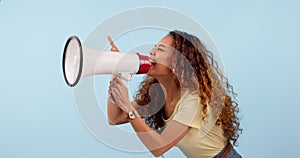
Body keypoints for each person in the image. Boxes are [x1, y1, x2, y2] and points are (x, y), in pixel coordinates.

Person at [107, 30, 242, 158]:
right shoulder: (157, 96)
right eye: (154, 48)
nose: (151, 52)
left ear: (178, 62)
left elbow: (159, 148)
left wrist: (129, 109)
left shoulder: (194, 100)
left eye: (160, 49)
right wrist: (116, 73)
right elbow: (115, 118)